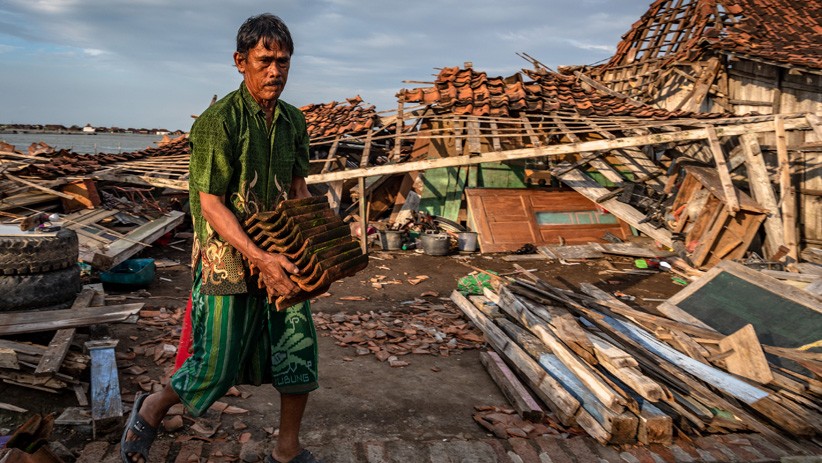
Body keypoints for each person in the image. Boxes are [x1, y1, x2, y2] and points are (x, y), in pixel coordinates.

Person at [120, 13, 322, 463]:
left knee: (298, 351)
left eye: (283, 62)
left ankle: (287, 451)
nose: (275, 71)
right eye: (265, 60)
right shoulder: (218, 122)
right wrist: (259, 257)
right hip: (225, 258)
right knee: (216, 362)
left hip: (282, 254)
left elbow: (298, 189)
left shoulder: (293, 121)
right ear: (240, 61)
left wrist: (316, 246)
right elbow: (211, 205)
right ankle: (152, 407)